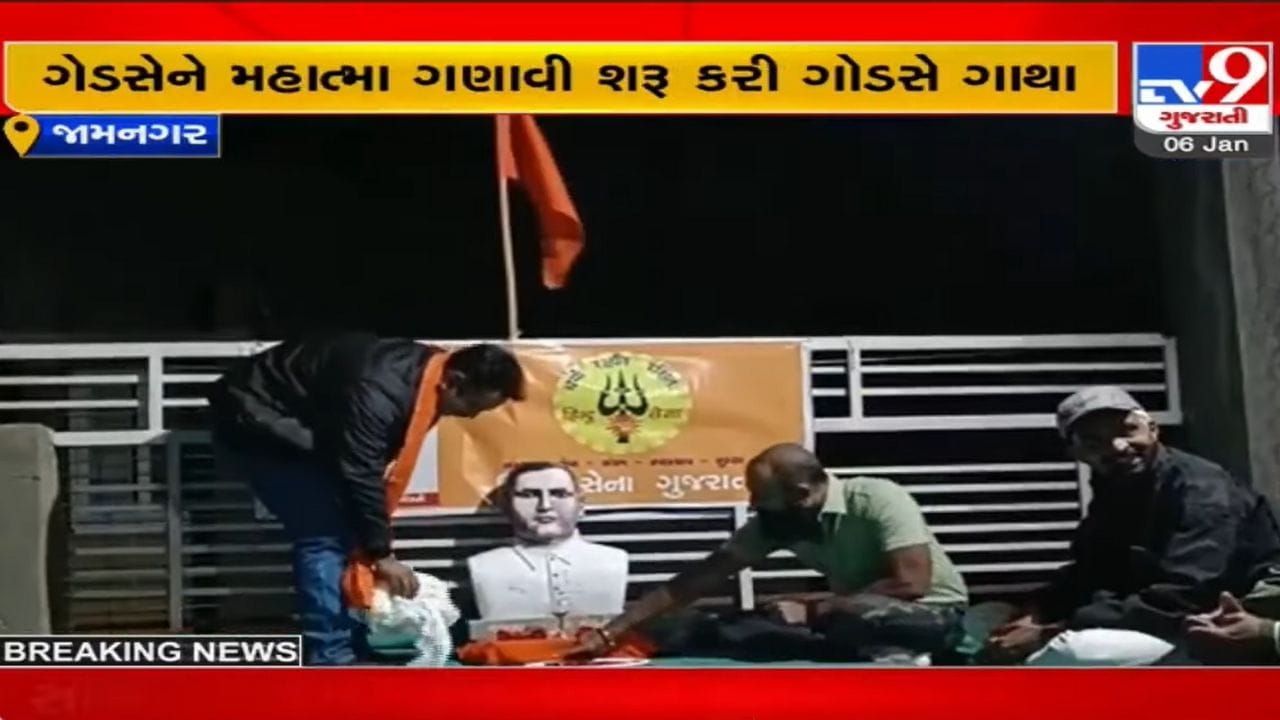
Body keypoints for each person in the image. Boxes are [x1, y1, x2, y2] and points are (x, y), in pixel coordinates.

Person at [206, 333, 525, 665]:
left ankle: (352, 640)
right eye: (472, 407)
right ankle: (331, 655)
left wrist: (373, 544)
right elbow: (360, 471)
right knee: (324, 536)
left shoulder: (424, 372)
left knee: (349, 531)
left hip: (298, 415)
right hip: (256, 417)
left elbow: (361, 468)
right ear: (453, 383)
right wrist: (381, 554)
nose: (471, 417)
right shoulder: (380, 394)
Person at [568, 443, 970, 662]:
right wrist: (613, 631)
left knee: (849, 615)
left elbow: (912, 583)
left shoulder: (877, 497)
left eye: (761, 497)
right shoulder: (780, 521)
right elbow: (698, 578)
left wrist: (816, 609)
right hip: (844, 618)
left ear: (801, 495)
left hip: (931, 615)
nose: (753, 505)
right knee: (709, 624)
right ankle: (874, 652)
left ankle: (897, 653)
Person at [983, 386, 1280, 665]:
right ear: (1075, 453)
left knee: (1072, 652)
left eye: (1127, 430)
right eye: (1094, 442)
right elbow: (1089, 570)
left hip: (1218, 621)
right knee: (987, 620)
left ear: (1153, 429)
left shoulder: (1201, 488)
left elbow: (1188, 592)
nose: (1117, 446)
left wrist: (1054, 629)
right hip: (1147, 612)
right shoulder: (1116, 486)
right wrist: (1038, 611)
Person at [468, 462, 629, 624]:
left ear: (580, 505)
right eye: (528, 495)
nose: (545, 506)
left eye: (559, 494)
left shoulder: (613, 560)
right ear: (507, 506)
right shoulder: (483, 566)